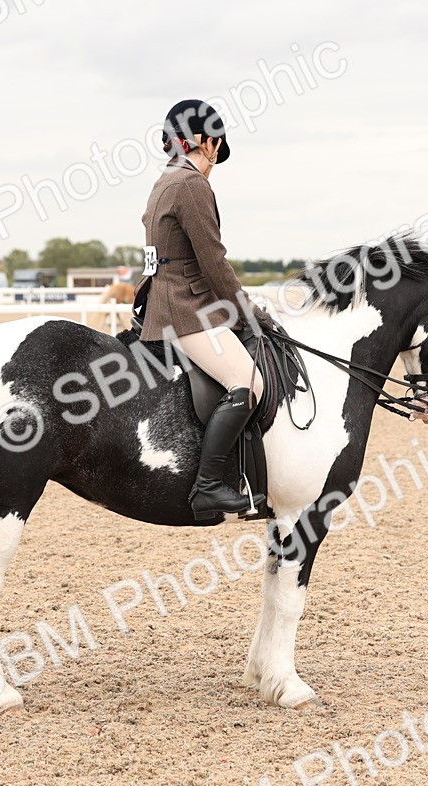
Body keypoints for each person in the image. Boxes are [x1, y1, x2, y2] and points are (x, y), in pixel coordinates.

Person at [137, 99, 276, 520]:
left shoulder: (166, 179)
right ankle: (209, 487)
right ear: (205, 141)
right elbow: (213, 261)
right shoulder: (192, 184)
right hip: (185, 309)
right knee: (247, 382)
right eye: (216, 144)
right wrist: (248, 313)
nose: (216, 155)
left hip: (167, 299)